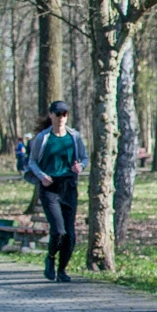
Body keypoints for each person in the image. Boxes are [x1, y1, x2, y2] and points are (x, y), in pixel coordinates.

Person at [27, 101, 88, 282]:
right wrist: (41, 176)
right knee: (59, 231)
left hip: (69, 186)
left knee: (70, 234)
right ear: (51, 115)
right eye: (58, 114)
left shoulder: (74, 136)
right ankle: (51, 258)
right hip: (49, 187)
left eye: (65, 114)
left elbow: (84, 158)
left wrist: (81, 166)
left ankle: (62, 270)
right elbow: (32, 162)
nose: (62, 117)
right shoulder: (43, 138)